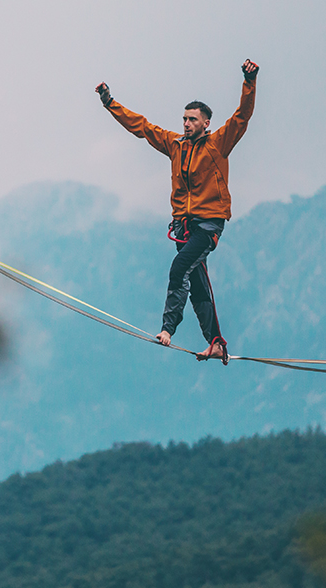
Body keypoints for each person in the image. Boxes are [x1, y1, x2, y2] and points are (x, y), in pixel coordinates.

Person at [95, 59, 258, 364]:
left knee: (179, 268)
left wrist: (249, 81)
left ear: (206, 123)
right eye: (184, 119)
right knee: (197, 287)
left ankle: (168, 329)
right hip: (183, 227)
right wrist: (109, 103)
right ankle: (215, 342)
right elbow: (141, 127)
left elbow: (242, 117)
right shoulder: (175, 145)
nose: (186, 124)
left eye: (192, 120)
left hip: (207, 226)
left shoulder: (218, 144)